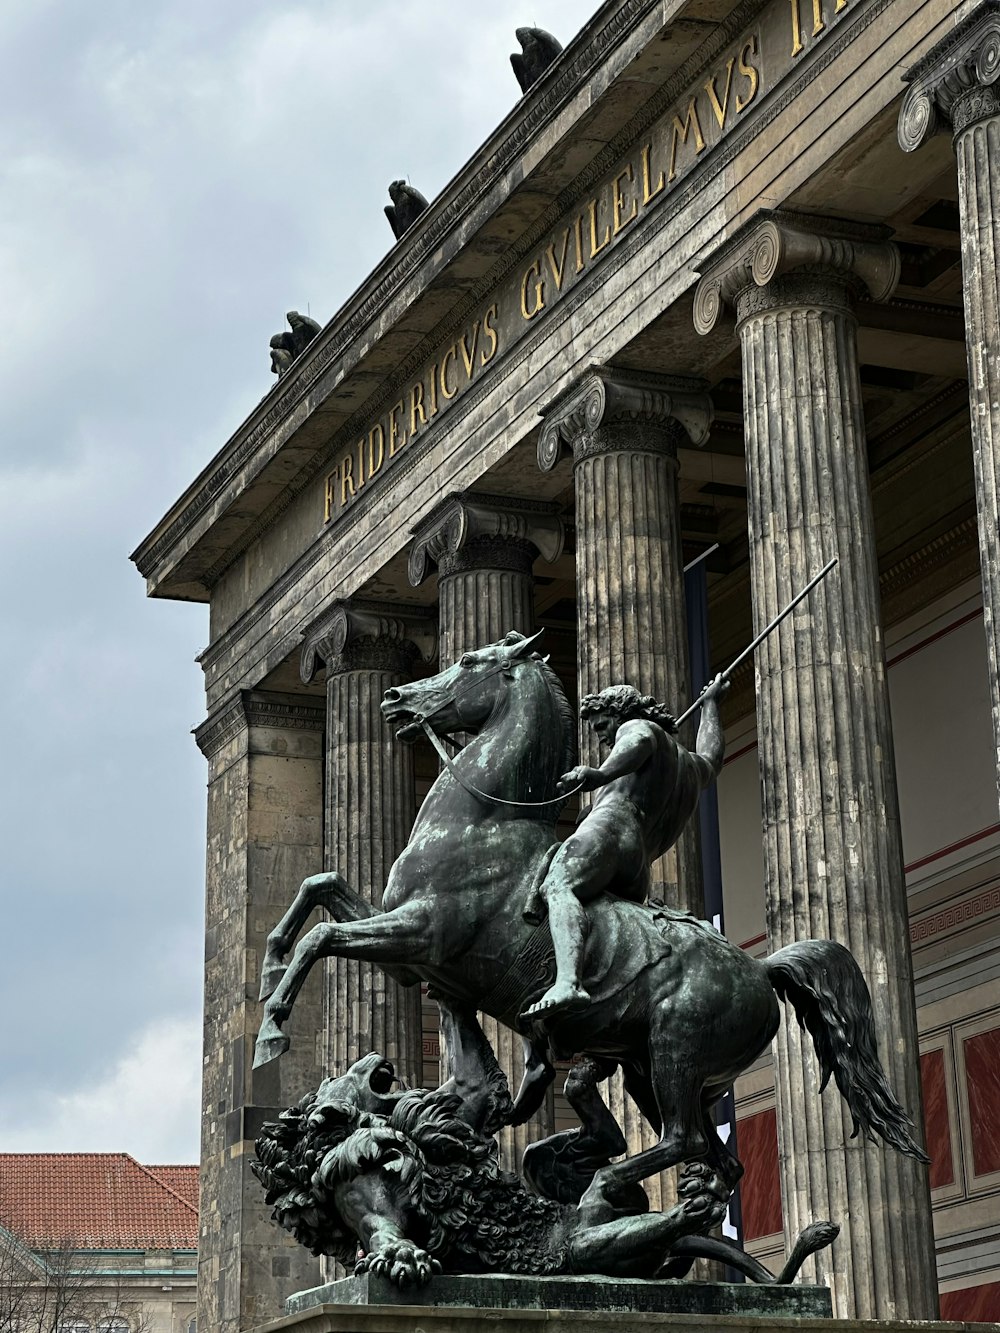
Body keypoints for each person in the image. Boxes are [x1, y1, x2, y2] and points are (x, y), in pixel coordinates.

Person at [521, 674, 730, 1022]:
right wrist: (710, 706)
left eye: (603, 724)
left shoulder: (636, 728)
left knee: (559, 886)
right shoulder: (688, 765)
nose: (602, 735)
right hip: (637, 864)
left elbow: (640, 740)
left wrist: (601, 775)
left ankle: (569, 981)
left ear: (621, 713)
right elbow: (712, 759)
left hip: (611, 832)